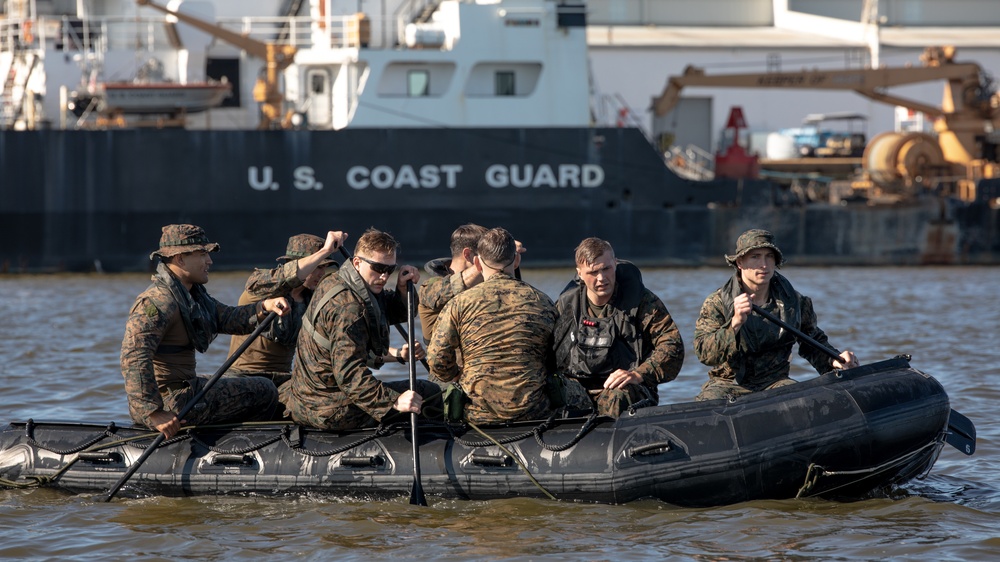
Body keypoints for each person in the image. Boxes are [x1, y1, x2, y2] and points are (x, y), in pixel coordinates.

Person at [120, 224, 291, 439]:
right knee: (265, 390)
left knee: (251, 379)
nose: (209, 261)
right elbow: (134, 356)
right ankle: (249, 444)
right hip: (169, 403)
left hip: (180, 392)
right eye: (202, 254)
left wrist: (264, 307)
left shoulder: (192, 296)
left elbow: (227, 318)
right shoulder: (158, 302)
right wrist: (154, 413)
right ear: (180, 259)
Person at [283, 227, 441, 430]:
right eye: (377, 268)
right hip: (328, 408)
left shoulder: (340, 280)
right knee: (427, 391)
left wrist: (402, 289)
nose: (384, 277)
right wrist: (393, 401)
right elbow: (348, 374)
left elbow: (386, 312)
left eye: (389, 269)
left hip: (313, 396)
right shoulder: (348, 308)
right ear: (357, 262)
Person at [693, 229, 859, 401]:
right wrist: (735, 323)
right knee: (708, 403)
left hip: (776, 383)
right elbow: (705, 354)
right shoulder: (717, 302)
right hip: (728, 384)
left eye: (769, 257)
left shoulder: (795, 301)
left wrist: (835, 360)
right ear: (740, 263)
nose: (764, 264)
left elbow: (812, 341)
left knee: (803, 400)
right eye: (755, 257)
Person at [427, 228, 555, 423]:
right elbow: (559, 356)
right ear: (517, 260)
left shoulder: (459, 303)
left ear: (477, 263)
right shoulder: (543, 302)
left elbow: (436, 359)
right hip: (534, 411)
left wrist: (456, 376)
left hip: (478, 414)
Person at [553, 238, 685, 417]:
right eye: (593, 272)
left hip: (626, 389)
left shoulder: (640, 301)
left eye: (606, 269)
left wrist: (638, 374)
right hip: (579, 388)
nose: (601, 278)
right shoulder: (566, 305)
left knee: (615, 398)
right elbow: (546, 348)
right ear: (580, 274)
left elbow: (672, 346)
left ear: (615, 264)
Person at [228, 231, 348, 387]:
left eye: (325, 267)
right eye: (318, 266)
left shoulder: (313, 300)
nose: (322, 273)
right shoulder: (261, 286)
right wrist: (325, 250)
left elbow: (339, 340)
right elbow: (285, 276)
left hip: (284, 380)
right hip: (244, 377)